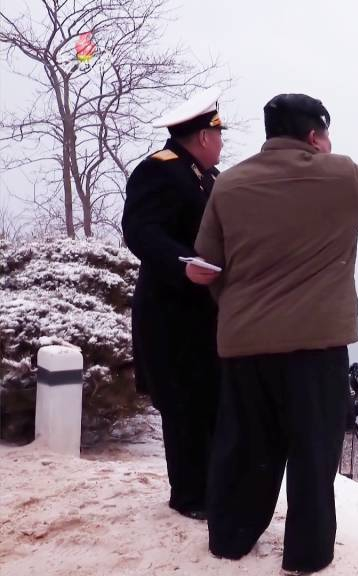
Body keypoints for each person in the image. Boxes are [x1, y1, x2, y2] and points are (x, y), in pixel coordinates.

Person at [188, 93, 358, 573]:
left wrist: (237, 312)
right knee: (312, 453)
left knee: (246, 445)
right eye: (326, 135)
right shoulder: (340, 177)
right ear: (315, 136)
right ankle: (307, 556)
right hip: (315, 349)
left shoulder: (229, 186)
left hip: (245, 347)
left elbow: (209, 264)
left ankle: (230, 540)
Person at [121, 87, 226, 521]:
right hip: (169, 312)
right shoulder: (158, 171)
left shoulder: (210, 178)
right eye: (218, 135)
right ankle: (189, 497)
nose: (222, 144)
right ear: (203, 137)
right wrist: (182, 266)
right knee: (183, 403)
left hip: (207, 313)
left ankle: (211, 488)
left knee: (210, 399)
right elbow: (140, 231)